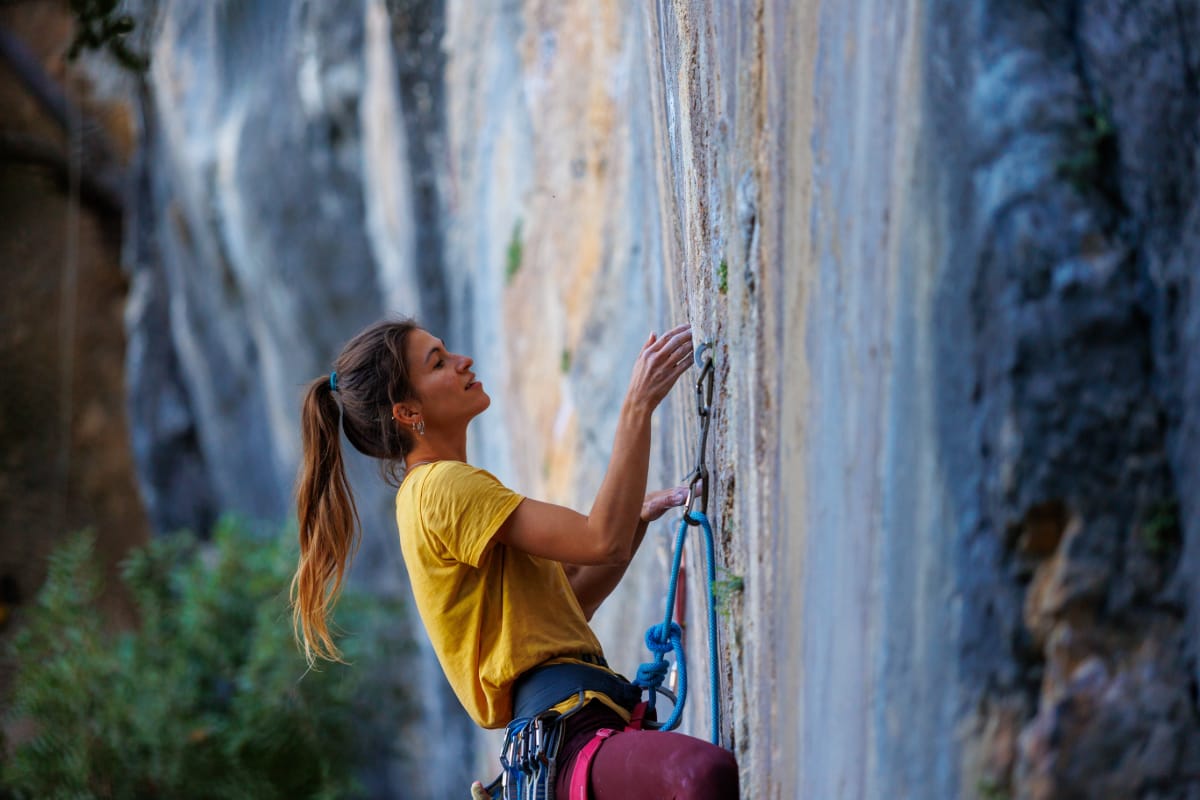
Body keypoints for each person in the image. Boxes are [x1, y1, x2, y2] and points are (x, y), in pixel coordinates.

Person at [291, 318, 739, 799]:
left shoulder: (432, 492)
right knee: (698, 774)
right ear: (407, 411)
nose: (464, 361)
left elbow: (569, 603)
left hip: (568, 729)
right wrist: (637, 405)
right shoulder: (441, 487)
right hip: (565, 736)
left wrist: (637, 518)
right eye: (438, 362)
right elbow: (599, 539)